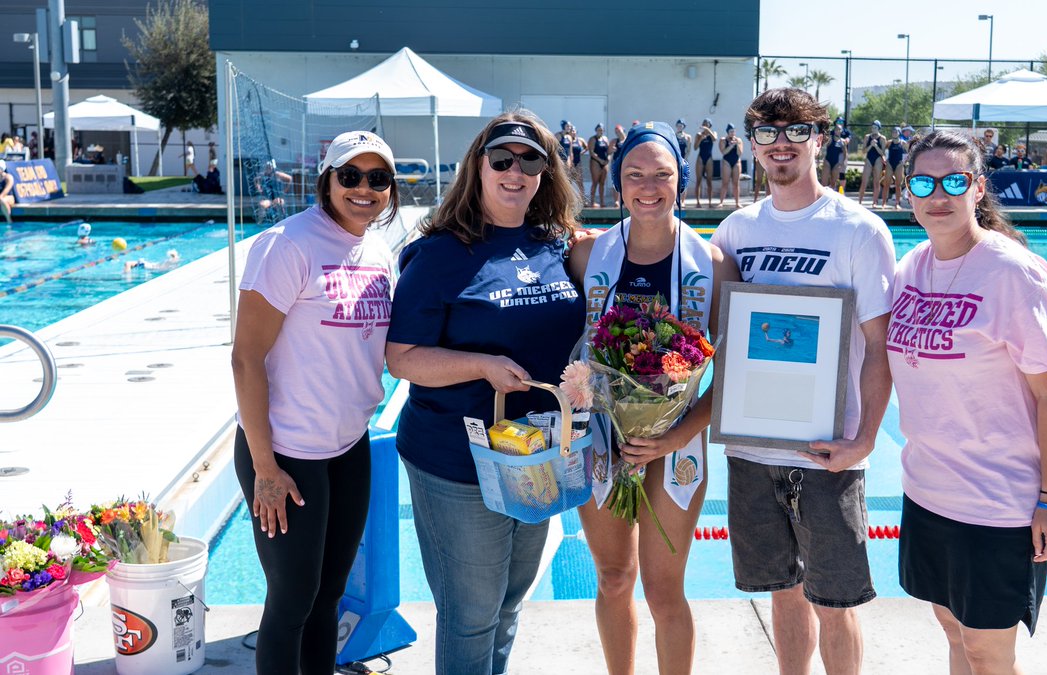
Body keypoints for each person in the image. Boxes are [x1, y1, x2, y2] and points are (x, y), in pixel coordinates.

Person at [384, 112, 583, 674]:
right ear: (478, 166)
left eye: (531, 160)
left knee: (509, 603)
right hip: (457, 462)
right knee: (471, 615)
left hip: (535, 455)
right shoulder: (441, 253)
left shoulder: (555, 244)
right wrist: (481, 364)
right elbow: (401, 359)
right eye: (502, 159)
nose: (514, 171)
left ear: (546, 173)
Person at [711, 87, 896, 675]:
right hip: (750, 445)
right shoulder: (736, 231)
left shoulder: (858, 231)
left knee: (836, 602)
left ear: (819, 139)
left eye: (795, 131)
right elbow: (717, 335)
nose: (781, 144)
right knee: (782, 591)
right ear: (753, 146)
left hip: (828, 451)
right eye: (767, 133)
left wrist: (864, 440)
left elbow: (878, 346)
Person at [891, 130, 1047, 674]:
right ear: (908, 191)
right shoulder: (911, 267)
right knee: (951, 629)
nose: (938, 194)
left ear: (977, 188)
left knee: (988, 652)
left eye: (954, 180)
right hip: (927, 491)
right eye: (924, 181)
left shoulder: (1013, 271)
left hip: (997, 503)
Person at [568, 121, 738, 675]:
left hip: (678, 445)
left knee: (666, 592)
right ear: (617, 182)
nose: (648, 186)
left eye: (661, 174)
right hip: (600, 439)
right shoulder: (585, 256)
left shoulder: (712, 265)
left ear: (680, 182)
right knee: (614, 579)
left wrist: (677, 434)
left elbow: (735, 371)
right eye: (634, 174)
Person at [230, 130, 399, 674]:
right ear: (327, 181)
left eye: (377, 179)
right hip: (286, 452)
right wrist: (265, 469)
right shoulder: (288, 245)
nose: (364, 189)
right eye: (350, 176)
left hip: (348, 446)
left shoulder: (377, 250)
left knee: (328, 596)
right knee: (292, 601)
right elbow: (244, 358)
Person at [859, 121, 887, 207]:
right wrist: (871, 145)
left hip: (878, 160)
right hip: (869, 159)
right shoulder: (867, 137)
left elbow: (882, 153)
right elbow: (863, 151)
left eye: (875, 127)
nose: (873, 129)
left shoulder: (882, 138)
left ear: (878, 128)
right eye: (872, 127)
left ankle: (874, 202)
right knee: (864, 181)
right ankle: (860, 201)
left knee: (876, 182)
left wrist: (876, 146)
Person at [693, 118, 717, 208]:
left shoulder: (713, 133)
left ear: (710, 125)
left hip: (709, 159)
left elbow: (714, 139)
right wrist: (700, 139)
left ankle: (710, 202)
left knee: (709, 181)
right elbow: (695, 147)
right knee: (698, 181)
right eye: (704, 124)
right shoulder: (698, 135)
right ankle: (698, 202)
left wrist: (708, 131)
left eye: (707, 124)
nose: (705, 125)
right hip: (700, 158)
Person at [882, 127, 908, 209]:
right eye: (892, 131)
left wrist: (903, 162)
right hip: (890, 164)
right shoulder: (889, 143)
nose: (894, 133)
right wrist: (885, 160)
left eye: (895, 132)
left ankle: (897, 203)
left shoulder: (903, 143)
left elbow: (907, 154)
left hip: (899, 165)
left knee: (898, 185)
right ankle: (884, 202)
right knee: (886, 184)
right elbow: (884, 152)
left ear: (899, 133)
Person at [718, 123, 743, 207]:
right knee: (725, 183)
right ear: (727, 132)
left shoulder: (738, 140)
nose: (732, 133)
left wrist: (737, 145)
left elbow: (740, 153)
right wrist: (731, 145)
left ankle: (737, 203)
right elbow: (723, 152)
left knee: (736, 183)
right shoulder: (723, 140)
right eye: (730, 131)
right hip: (726, 162)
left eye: (733, 131)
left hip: (736, 162)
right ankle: (721, 202)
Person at [588, 123, 611, 207]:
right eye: (598, 130)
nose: (600, 132)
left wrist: (608, 158)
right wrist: (599, 160)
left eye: (601, 130)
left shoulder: (605, 139)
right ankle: (592, 202)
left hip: (604, 162)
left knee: (602, 183)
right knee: (595, 182)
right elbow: (591, 152)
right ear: (596, 130)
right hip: (596, 162)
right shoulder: (593, 139)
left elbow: (608, 151)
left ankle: (602, 202)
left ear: (603, 131)